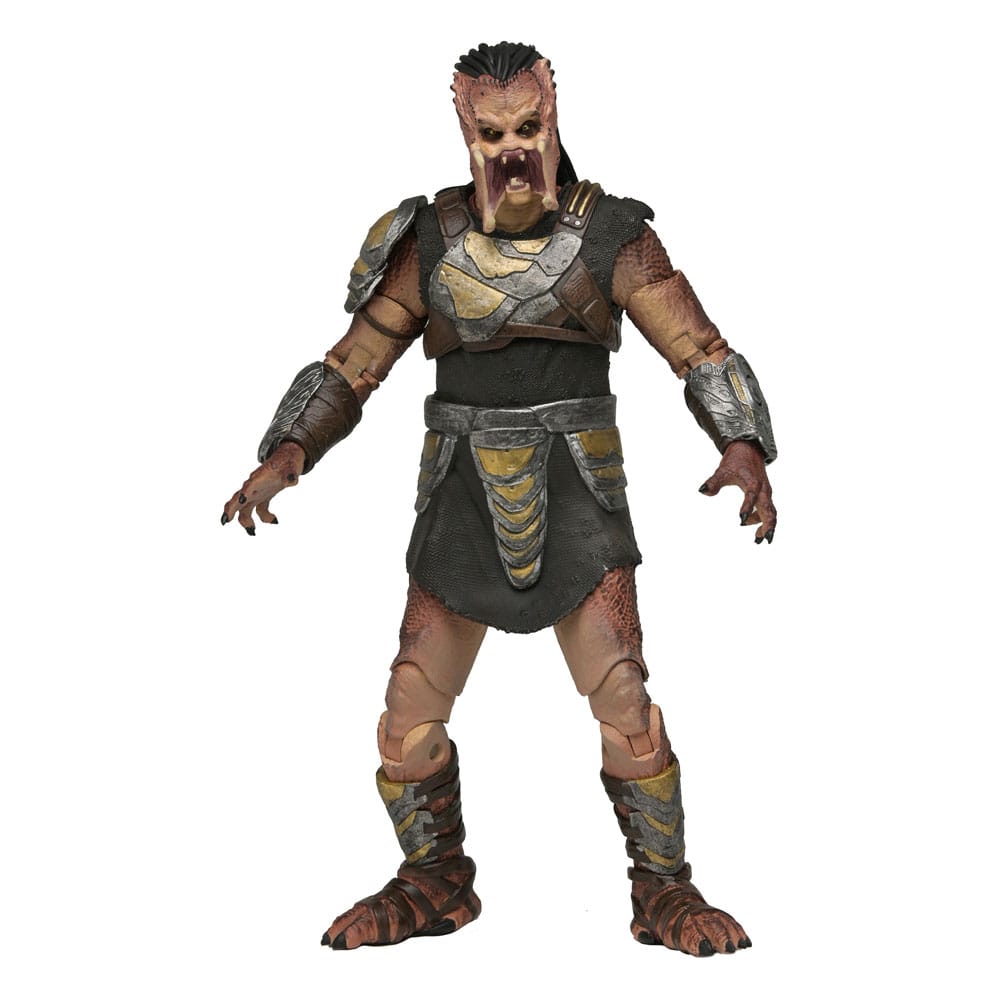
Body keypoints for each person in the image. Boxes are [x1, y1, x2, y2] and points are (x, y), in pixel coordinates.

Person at [222, 41, 776, 957]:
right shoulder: (431, 239)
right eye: (492, 134)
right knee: (408, 713)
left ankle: (663, 889)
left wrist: (742, 444)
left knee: (625, 703)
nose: (514, 150)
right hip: (459, 501)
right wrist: (288, 454)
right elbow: (354, 364)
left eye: (528, 127)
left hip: (580, 498)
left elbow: (700, 349)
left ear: (553, 120)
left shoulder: (613, 236)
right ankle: (433, 879)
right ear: (465, 133)